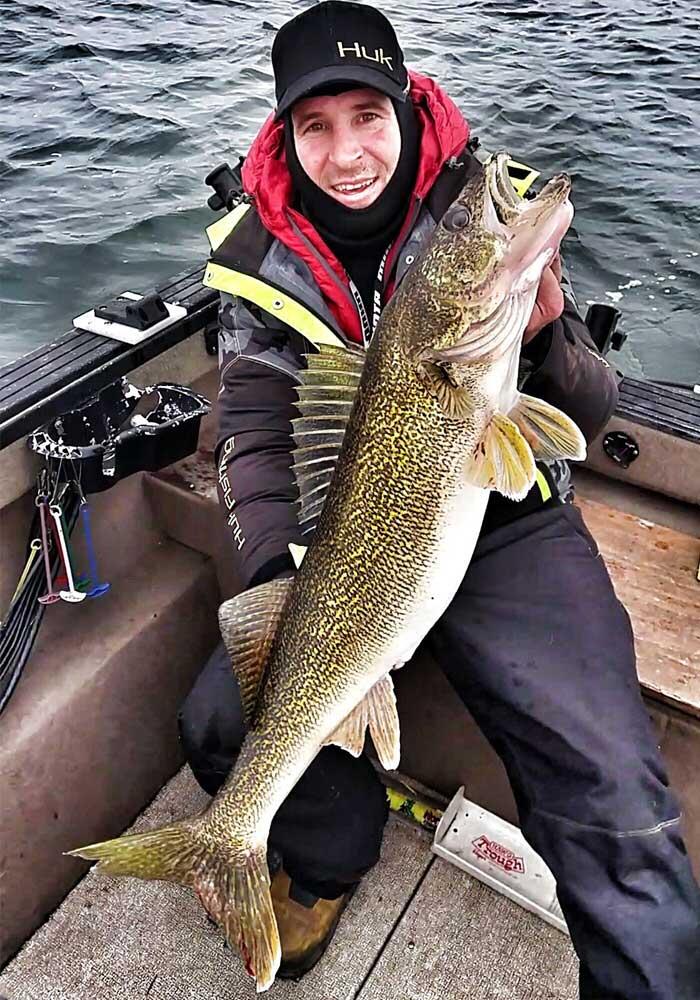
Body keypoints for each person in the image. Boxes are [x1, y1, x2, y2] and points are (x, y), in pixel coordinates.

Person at [180, 2, 700, 995]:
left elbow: (584, 405)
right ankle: (319, 865)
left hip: (503, 516)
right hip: (349, 543)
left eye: (367, 116)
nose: (346, 153)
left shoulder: (477, 213)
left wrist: (546, 335)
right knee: (222, 716)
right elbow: (251, 434)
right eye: (315, 125)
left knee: (610, 782)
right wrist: (292, 588)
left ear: (408, 109)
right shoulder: (254, 265)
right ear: (284, 135)